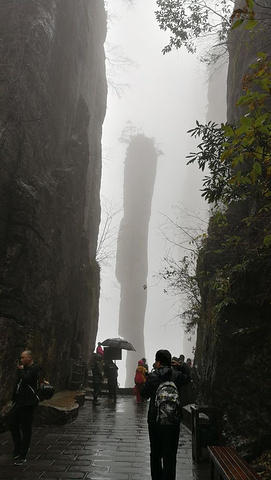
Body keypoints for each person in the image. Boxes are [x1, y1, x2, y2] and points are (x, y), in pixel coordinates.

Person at [141, 349, 191, 480]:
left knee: (156, 454)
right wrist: (181, 365)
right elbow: (189, 378)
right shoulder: (177, 375)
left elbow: (143, 394)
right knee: (170, 455)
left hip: (154, 420)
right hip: (173, 421)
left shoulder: (153, 376)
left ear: (158, 362)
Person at [9, 350, 41, 466]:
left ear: (30, 358)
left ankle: (23, 455)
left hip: (28, 403)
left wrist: (21, 370)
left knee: (26, 428)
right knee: (12, 423)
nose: (21, 359)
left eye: (23, 357)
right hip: (19, 401)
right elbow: (19, 383)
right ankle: (18, 447)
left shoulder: (35, 368)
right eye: (21, 357)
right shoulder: (24, 368)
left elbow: (27, 379)